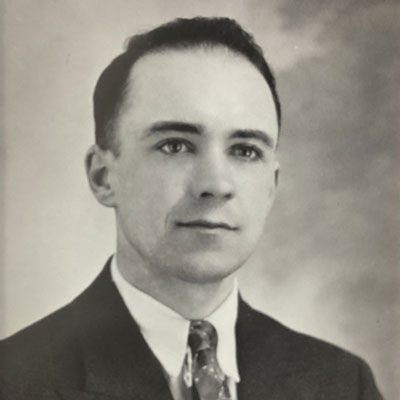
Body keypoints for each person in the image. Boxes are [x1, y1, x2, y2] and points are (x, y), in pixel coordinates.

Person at [0, 17, 383, 400]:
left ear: (271, 186)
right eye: (175, 146)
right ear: (103, 177)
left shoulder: (343, 383)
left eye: (245, 151)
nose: (215, 185)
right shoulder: (15, 381)